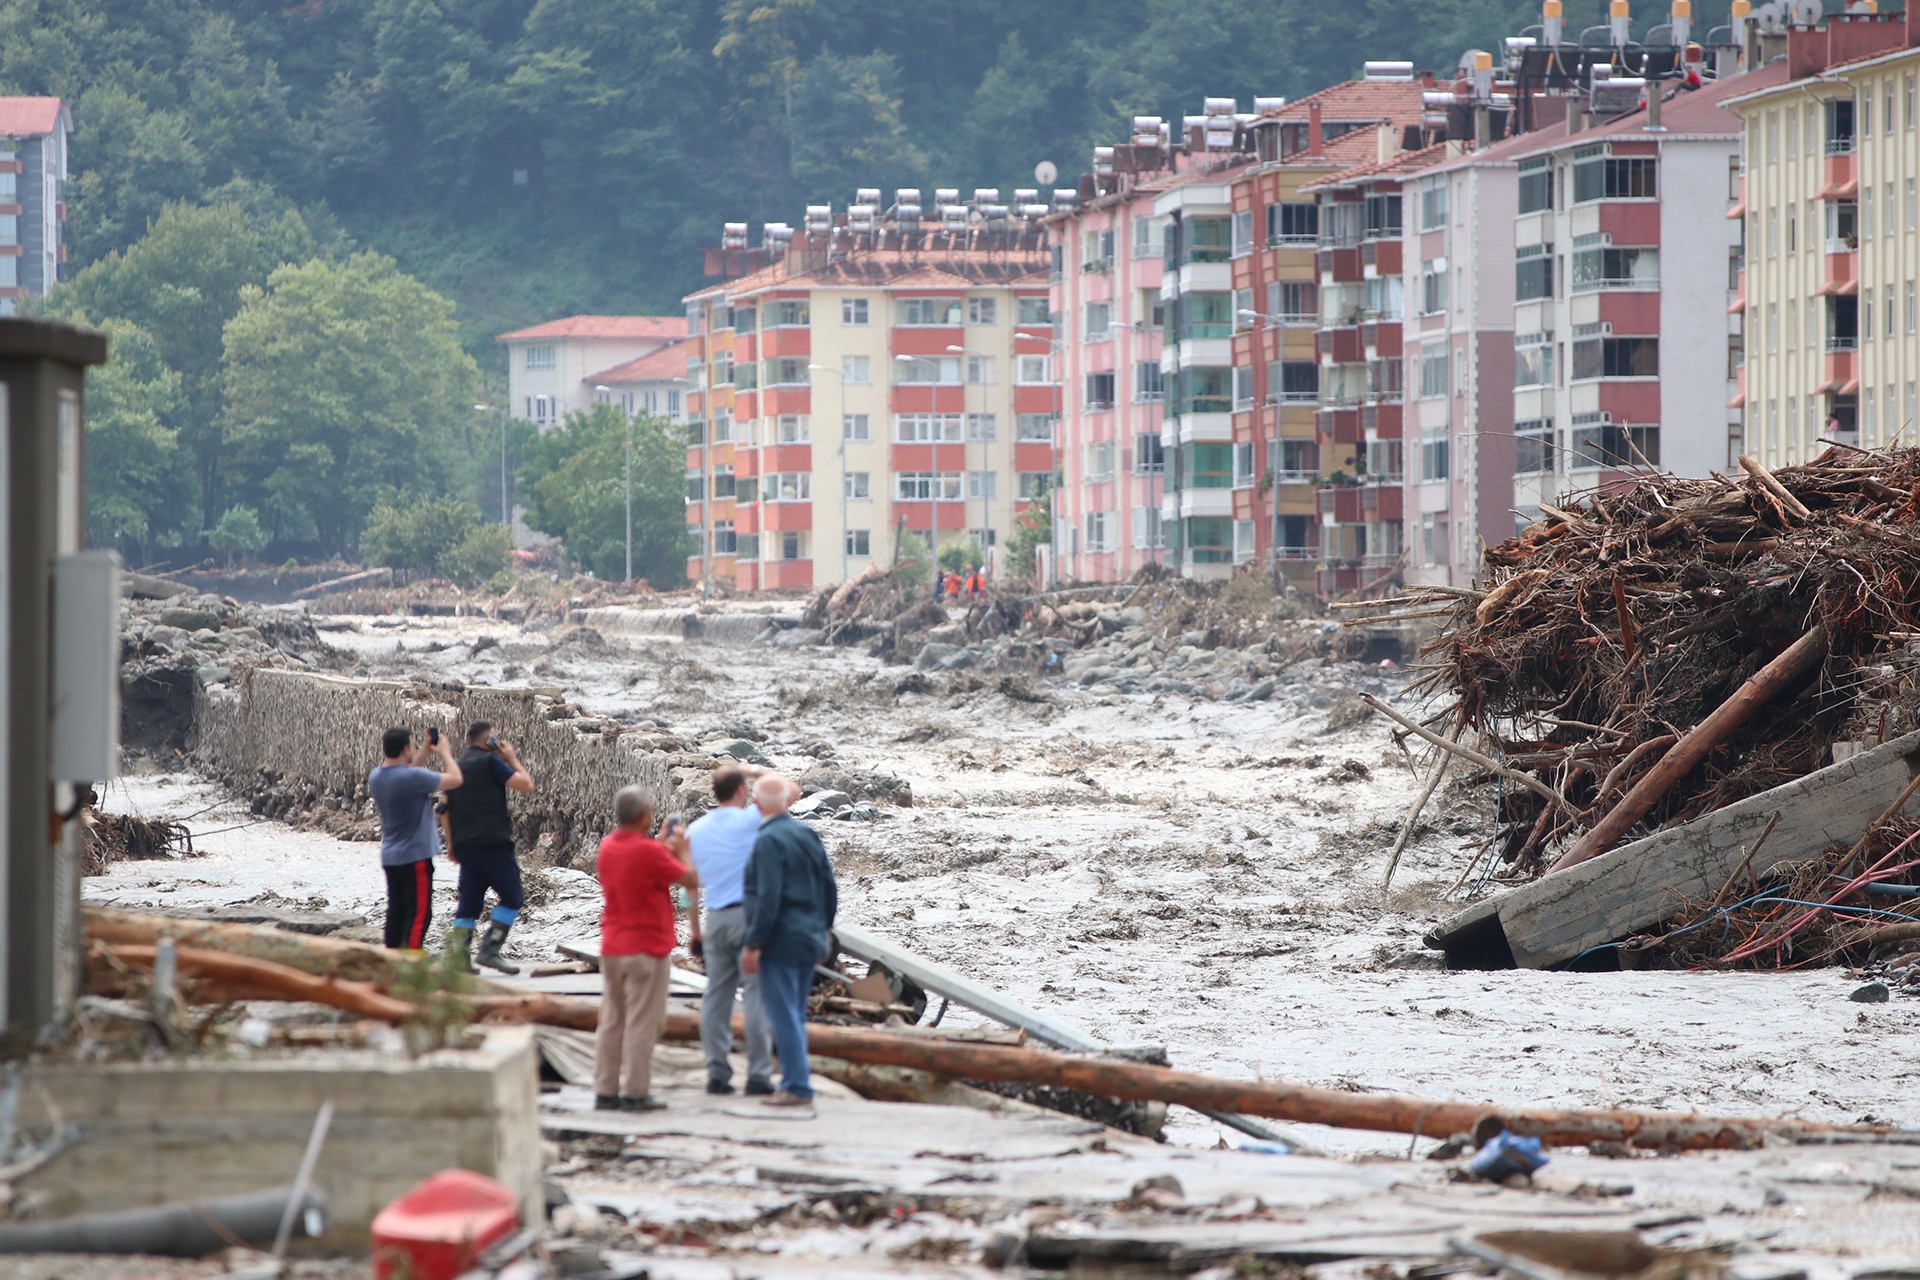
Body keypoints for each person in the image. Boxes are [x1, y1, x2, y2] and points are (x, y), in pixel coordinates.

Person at [593, 786, 698, 1112]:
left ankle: (605, 1089)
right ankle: (636, 1091)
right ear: (644, 817)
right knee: (642, 1022)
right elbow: (691, 879)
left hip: (612, 946)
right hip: (645, 948)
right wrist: (682, 850)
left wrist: (660, 846)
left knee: (612, 1019)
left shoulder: (608, 845)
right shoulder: (649, 853)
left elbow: (642, 860)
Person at [741, 773, 837, 1114]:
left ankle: (797, 1085)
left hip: (780, 939)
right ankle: (796, 1081)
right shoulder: (806, 833)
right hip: (809, 936)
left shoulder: (767, 841)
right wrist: (825, 930)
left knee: (782, 1016)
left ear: (756, 805)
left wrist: (753, 944)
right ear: (787, 802)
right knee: (795, 1013)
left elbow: (767, 898)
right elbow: (829, 885)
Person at [685, 765, 775, 1096]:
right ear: (741, 790)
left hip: (715, 917)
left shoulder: (694, 831)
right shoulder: (751, 819)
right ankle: (758, 1075)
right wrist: (753, 769)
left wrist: (695, 929)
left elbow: (689, 886)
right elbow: (786, 789)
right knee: (756, 994)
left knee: (716, 997)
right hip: (749, 916)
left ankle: (717, 1072)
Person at [442, 721, 535, 974]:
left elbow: (444, 808)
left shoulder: (457, 767)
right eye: (495, 737)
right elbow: (526, 785)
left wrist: (451, 842)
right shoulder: (491, 762)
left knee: (469, 903)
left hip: (465, 844)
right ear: (488, 740)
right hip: (493, 842)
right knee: (513, 897)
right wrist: (512, 759)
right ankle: (490, 950)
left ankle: (459, 959)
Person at [369, 727, 462, 951]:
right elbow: (456, 779)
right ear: (405, 749)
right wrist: (445, 753)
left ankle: (391, 960)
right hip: (415, 857)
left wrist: (423, 752)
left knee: (396, 912)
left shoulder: (377, 776)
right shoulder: (413, 777)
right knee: (420, 914)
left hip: (390, 856)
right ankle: (409, 962)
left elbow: (407, 772)